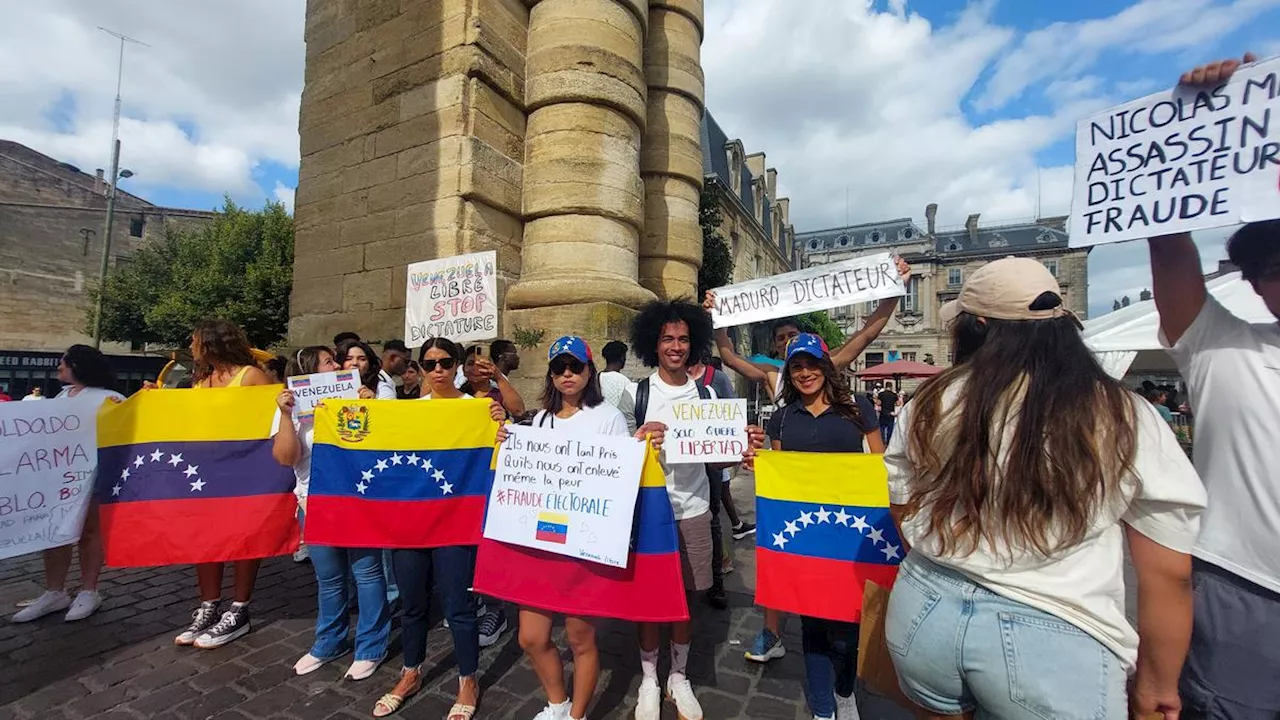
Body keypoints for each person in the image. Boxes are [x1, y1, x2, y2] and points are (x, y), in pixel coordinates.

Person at [884, 258, 1206, 719]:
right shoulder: (1122, 414)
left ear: (977, 327)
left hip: (925, 604)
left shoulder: (929, 403)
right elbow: (1168, 570)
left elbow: (902, 505)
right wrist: (1159, 682)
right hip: (1055, 628)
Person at [1148, 48, 1280, 720]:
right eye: (1273, 262)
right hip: (1248, 596)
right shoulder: (1229, 349)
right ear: (1255, 280)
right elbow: (1169, 248)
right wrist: (1186, 133)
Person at [627, 299, 761, 720]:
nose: (676, 346)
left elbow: (716, 457)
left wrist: (742, 451)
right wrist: (639, 438)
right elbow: (614, 458)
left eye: (684, 338)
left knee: (688, 596)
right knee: (650, 599)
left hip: (696, 509)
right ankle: (649, 678)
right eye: (668, 338)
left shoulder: (708, 390)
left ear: (694, 343)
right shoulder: (637, 393)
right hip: (650, 512)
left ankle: (678, 676)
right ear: (654, 342)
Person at [374, 337, 506, 719]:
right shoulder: (408, 410)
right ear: (420, 367)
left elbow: (501, 450)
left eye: (446, 363)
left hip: (455, 524)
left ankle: (468, 678)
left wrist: (500, 430)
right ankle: (410, 672)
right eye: (430, 363)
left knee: (458, 607)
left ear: (458, 366)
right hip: (410, 524)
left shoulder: (478, 408)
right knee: (413, 606)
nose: (438, 370)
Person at [509, 336, 634, 720]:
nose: (567, 374)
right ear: (550, 374)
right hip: (543, 541)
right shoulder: (542, 420)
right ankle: (557, 703)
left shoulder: (608, 417)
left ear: (589, 371)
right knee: (531, 636)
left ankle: (577, 715)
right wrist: (507, 443)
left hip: (584, 542)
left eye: (575, 367)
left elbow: (620, 477)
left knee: (581, 638)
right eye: (559, 368)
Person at [762, 334, 882, 720]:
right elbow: (781, 476)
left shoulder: (858, 409)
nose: (805, 373)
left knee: (847, 631)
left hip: (850, 534)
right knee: (812, 625)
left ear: (827, 367)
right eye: (796, 366)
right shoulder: (782, 418)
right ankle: (823, 709)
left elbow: (880, 465)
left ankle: (845, 691)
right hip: (805, 536)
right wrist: (759, 464)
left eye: (812, 364)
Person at [273, 346, 390, 681]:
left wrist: (372, 407)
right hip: (314, 501)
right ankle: (329, 641)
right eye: (329, 361)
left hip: (358, 498)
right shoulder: (290, 405)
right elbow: (286, 457)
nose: (339, 365)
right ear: (310, 370)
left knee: (367, 574)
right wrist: (285, 416)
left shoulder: (356, 394)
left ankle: (371, 645)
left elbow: (380, 442)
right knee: (330, 578)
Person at [174, 319, 275, 649]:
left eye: (194, 341)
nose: (191, 347)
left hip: (243, 472)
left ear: (211, 344)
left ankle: (239, 609)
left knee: (244, 540)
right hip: (207, 473)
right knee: (206, 540)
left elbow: (268, 423)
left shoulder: (251, 377)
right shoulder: (201, 380)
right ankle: (209, 605)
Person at [11, 345, 124, 623]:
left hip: (94, 475)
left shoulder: (111, 398)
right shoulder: (63, 395)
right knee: (54, 533)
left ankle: (89, 590)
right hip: (58, 477)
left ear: (78, 365)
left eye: (63, 362)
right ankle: (54, 591)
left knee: (89, 532)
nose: (59, 367)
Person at [460, 345, 527, 418]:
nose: (476, 368)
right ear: (463, 370)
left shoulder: (500, 395)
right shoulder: (457, 396)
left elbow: (518, 411)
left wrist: (499, 377)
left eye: (483, 364)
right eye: (471, 363)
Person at [598, 340, 637, 432]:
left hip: (599, 429)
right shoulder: (624, 382)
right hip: (618, 430)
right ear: (622, 358)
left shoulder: (595, 379)